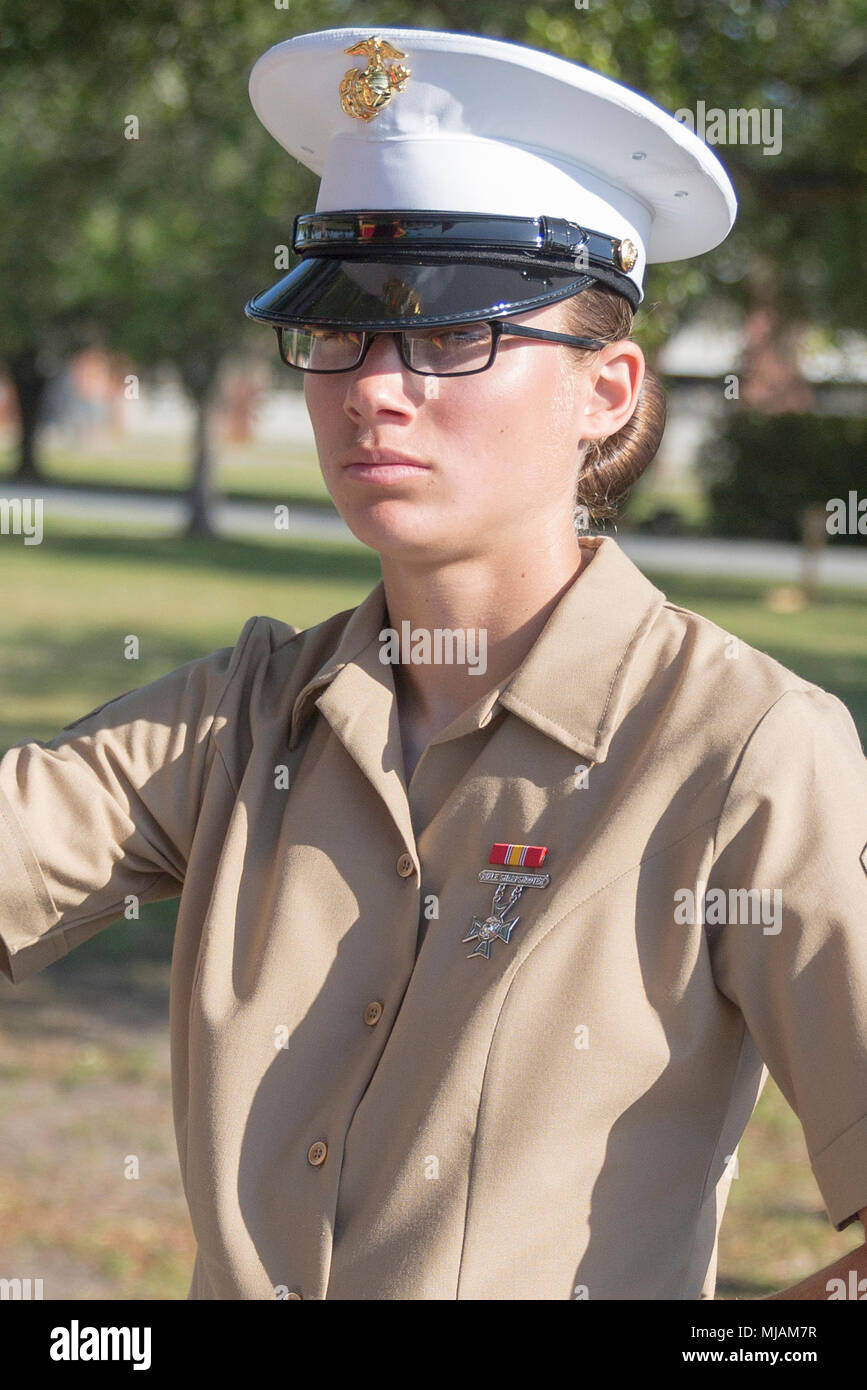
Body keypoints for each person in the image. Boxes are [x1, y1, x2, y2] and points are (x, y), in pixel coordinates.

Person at [1, 24, 866, 1302]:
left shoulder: (741, 752)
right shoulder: (244, 720)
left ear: (608, 391)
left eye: (452, 335)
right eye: (341, 328)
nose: (374, 389)